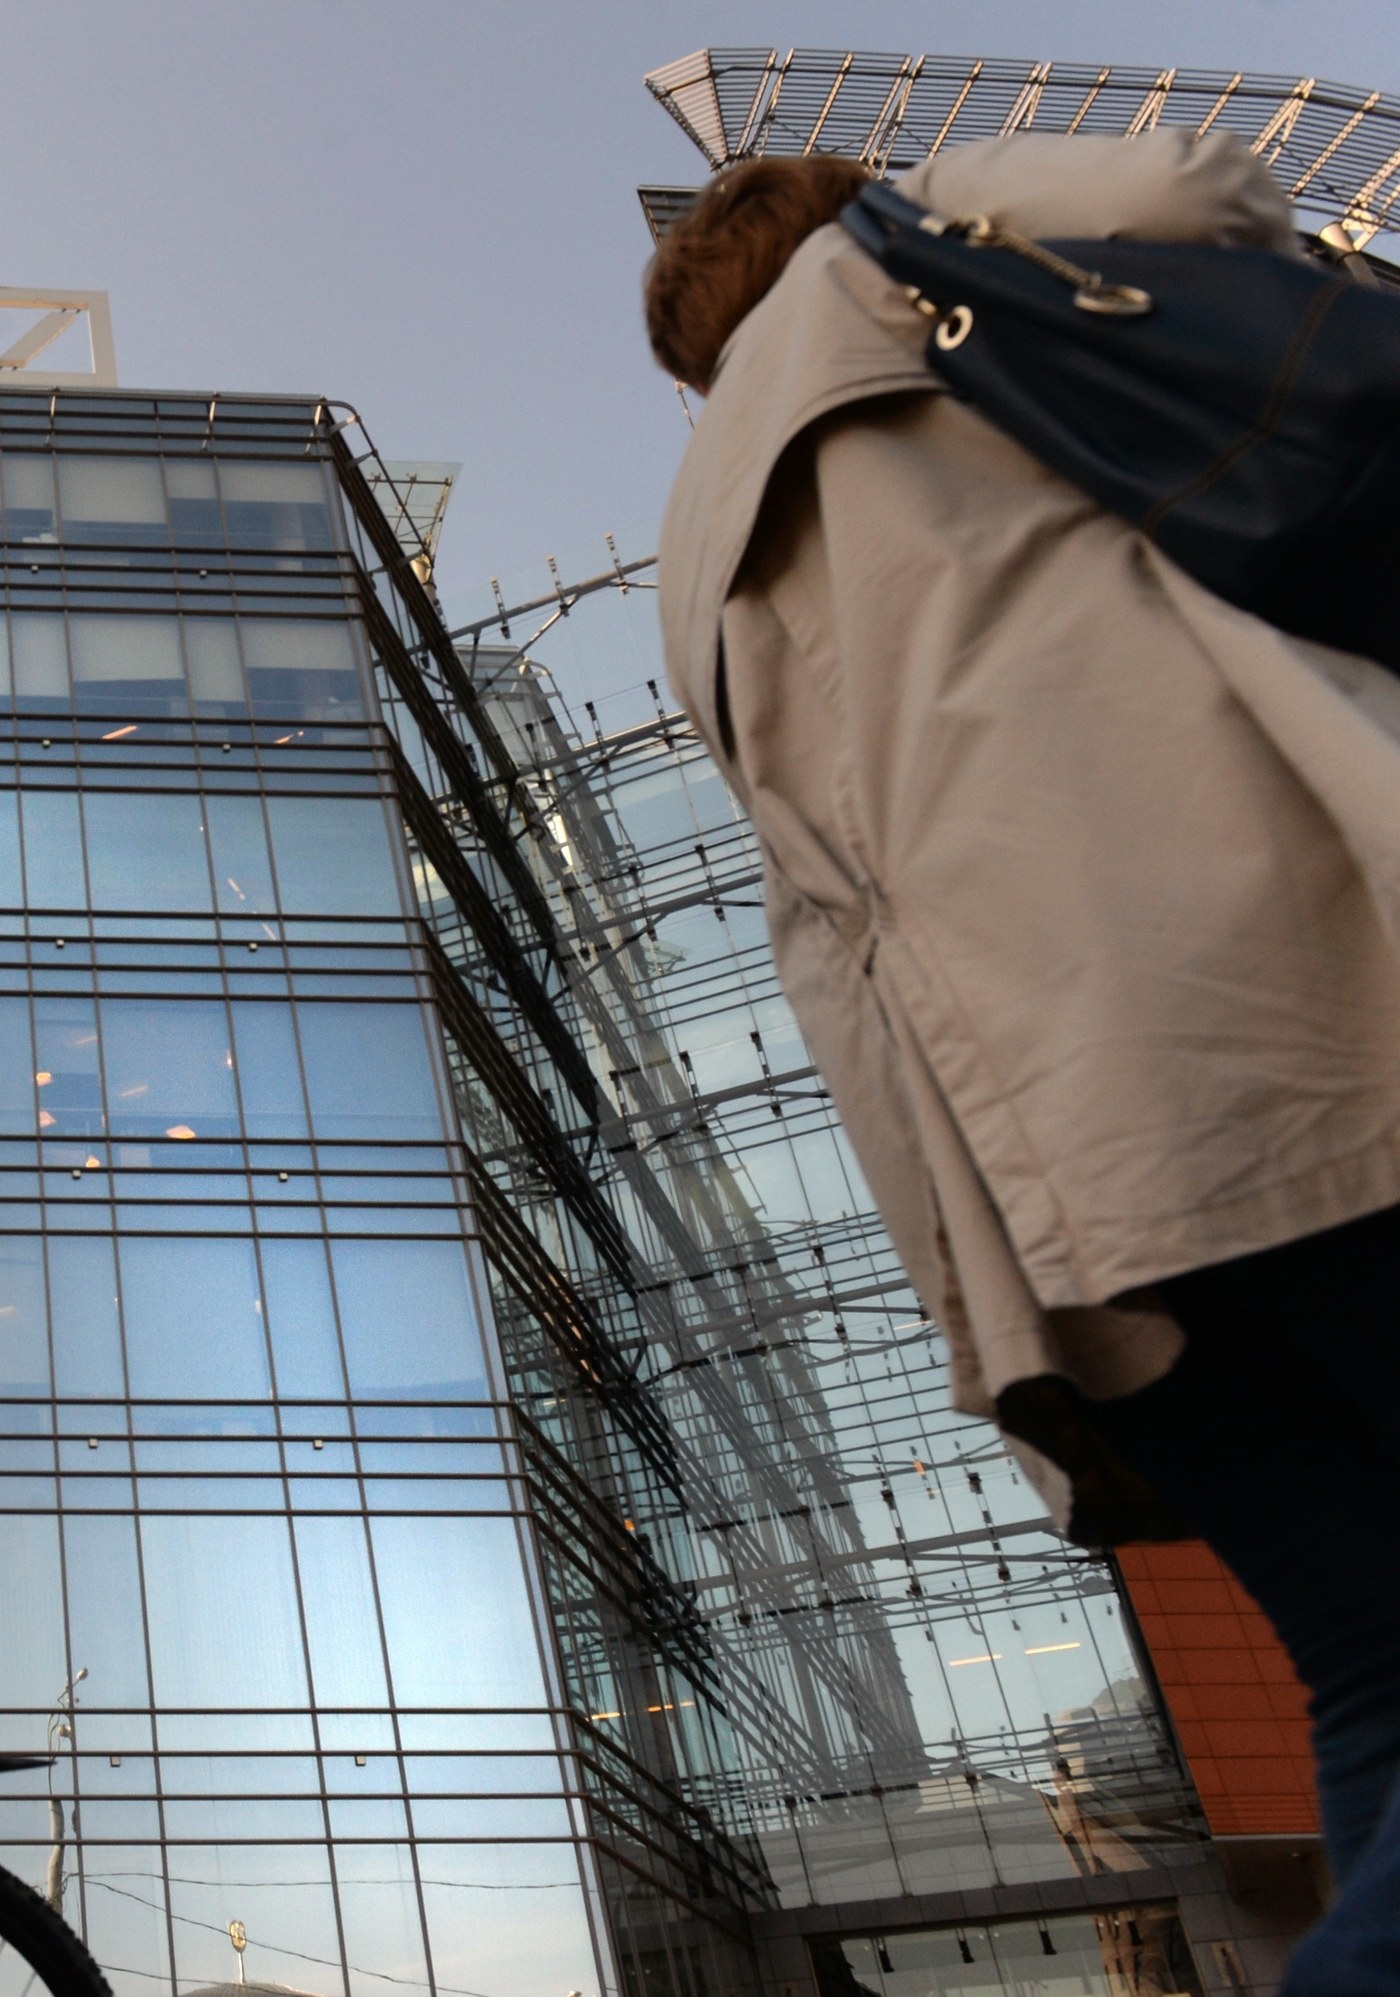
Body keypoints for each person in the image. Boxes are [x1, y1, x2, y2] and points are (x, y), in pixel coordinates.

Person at [646, 134, 1400, 1994]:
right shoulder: (918, 259)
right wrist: (947, 200)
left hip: (1049, 1209)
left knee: (1377, 1665)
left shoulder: (689, 554)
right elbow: (1216, 197)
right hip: (1281, 1033)